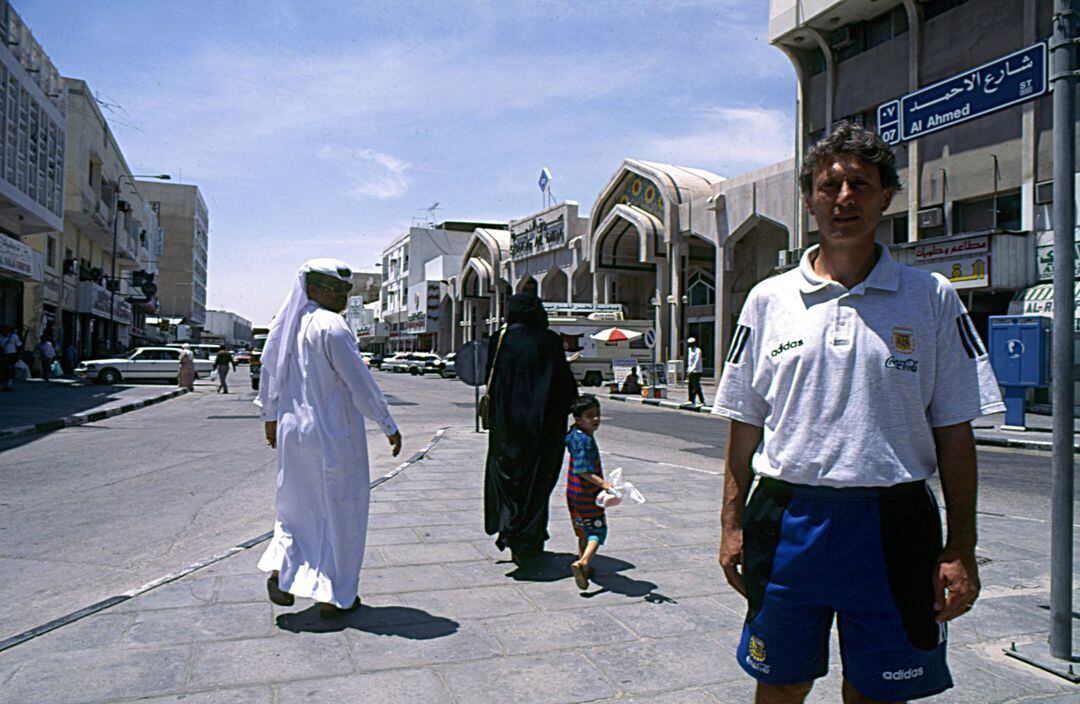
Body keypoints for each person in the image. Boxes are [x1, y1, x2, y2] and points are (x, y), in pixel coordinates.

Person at [713, 122, 1004, 704]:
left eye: (860, 185)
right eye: (829, 185)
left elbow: (955, 434)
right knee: (781, 683)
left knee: (877, 691)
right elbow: (744, 426)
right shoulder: (768, 300)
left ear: (886, 196)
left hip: (893, 524)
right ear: (809, 200)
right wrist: (731, 525)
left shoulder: (931, 296)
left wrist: (961, 546)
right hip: (788, 520)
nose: (843, 198)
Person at [256, 258, 403, 619]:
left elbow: (269, 373)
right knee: (341, 512)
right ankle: (334, 597)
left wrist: (270, 418)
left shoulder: (285, 325)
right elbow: (359, 382)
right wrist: (387, 423)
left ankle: (282, 572)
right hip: (331, 434)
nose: (342, 296)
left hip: (293, 434)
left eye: (346, 290)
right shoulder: (331, 325)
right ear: (313, 289)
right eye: (336, 289)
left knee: (296, 509)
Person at [484, 293, 578, 564]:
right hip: (543, 429)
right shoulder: (549, 340)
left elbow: (489, 378)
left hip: (507, 430)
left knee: (509, 482)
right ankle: (531, 540)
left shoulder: (500, 339)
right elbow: (564, 386)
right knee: (538, 485)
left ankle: (510, 533)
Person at [565, 394, 611, 590]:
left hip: (573, 492)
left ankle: (585, 567)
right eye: (589, 416)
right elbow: (583, 470)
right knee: (597, 530)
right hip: (587, 494)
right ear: (578, 419)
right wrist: (604, 484)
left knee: (583, 530)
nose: (595, 419)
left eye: (597, 414)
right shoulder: (585, 441)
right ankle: (583, 562)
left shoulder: (574, 434)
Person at [0, 324, 22, 391]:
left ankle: (9, 384)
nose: (4, 332)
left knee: (10, 369)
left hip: (12, 355)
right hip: (3, 355)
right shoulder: (0, 337)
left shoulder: (14, 337)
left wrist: (18, 356)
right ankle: (3, 384)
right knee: (2, 370)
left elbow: (19, 346)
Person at [686, 337, 705, 404]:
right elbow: (689, 361)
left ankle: (700, 400)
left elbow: (696, 361)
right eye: (689, 344)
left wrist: (692, 369)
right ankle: (691, 400)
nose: (690, 345)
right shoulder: (689, 350)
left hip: (697, 371)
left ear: (694, 343)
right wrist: (688, 369)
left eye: (691, 344)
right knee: (690, 385)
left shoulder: (698, 350)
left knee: (695, 386)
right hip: (690, 370)